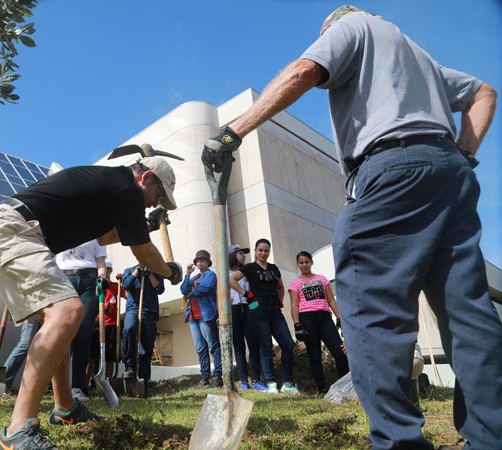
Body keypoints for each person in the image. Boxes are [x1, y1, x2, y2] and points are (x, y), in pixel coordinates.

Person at [202, 5, 501, 449]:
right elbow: (485, 93)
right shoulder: (418, 57)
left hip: (392, 170)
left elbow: (305, 70)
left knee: (370, 311)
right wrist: (463, 154)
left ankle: (399, 442)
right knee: (468, 313)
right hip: (450, 176)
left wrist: (234, 131)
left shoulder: (353, 28)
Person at [0, 156, 182, 450]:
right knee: (68, 311)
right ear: (145, 177)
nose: (153, 203)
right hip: (13, 230)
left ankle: (65, 407)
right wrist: (170, 270)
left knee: (61, 319)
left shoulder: (114, 188)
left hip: (13, 231)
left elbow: (105, 235)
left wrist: (145, 225)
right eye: (157, 196)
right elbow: (144, 254)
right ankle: (16, 431)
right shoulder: (126, 188)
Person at [230, 239, 298, 394]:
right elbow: (231, 280)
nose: (263, 253)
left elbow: (281, 286)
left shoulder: (274, 268)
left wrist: (280, 300)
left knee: (287, 344)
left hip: (274, 309)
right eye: (260, 250)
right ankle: (271, 383)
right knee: (265, 347)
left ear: (269, 252)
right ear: (255, 251)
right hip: (257, 309)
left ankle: (287, 383)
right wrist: (246, 294)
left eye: (266, 250)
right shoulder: (250, 268)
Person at [55, 239, 108, 402]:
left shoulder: (97, 234)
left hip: (89, 282)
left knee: (83, 334)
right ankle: (58, 388)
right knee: (63, 334)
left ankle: (77, 387)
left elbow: (100, 261)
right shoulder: (62, 228)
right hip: (64, 279)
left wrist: (103, 277)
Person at [289, 251, 348, 394]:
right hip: (307, 319)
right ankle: (322, 388)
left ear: (311, 263)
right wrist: (297, 325)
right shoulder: (295, 284)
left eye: (306, 262)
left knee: (339, 352)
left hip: (325, 318)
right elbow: (294, 305)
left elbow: (331, 300)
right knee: (314, 355)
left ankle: (345, 384)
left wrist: (339, 317)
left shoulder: (322, 279)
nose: (304, 265)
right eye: (301, 262)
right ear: (298, 264)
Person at [180, 249, 223, 388]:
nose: (199, 262)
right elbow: (183, 289)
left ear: (207, 262)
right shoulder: (194, 277)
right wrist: (187, 274)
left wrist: (190, 293)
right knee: (200, 348)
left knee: (213, 346)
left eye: (202, 260)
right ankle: (204, 377)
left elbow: (203, 289)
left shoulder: (210, 275)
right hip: (192, 316)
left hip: (206, 315)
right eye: (197, 260)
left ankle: (218, 377)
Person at [120, 263, 164, 396]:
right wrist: (136, 273)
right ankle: (130, 366)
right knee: (128, 329)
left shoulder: (156, 271)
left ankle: (144, 381)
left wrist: (150, 273)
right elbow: (125, 285)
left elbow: (160, 289)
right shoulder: (129, 270)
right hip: (133, 308)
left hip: (149, 311)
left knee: (147, 347)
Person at [228, 244, 261, 391]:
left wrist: (254, 309)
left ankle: (256, 379)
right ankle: (243, 381)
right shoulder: (225, 274)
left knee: (253, 345)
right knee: (239, 347)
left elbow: (254, 294)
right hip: (233, 310)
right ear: (232, 255)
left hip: (248, 309)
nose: (244, 256)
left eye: (244, 253)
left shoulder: (247, 272)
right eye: (241, 253)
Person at [85, 260, 120, 388]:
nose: (106, 272)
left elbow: (127, 295)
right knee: (92, 357)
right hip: (96, 323)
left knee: (109, 357)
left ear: (110, 270)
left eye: (108, 269)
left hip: (110, 325)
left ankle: (108, 385)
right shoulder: (94, 285)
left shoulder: (116, 286)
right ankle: (85, 384)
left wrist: (125, 283)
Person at [3, 319, 41, 394]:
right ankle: (2, 382)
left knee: (39, 347)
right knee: (25, 344)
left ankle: (32, 389)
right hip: (32, 312)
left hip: (45, 313)